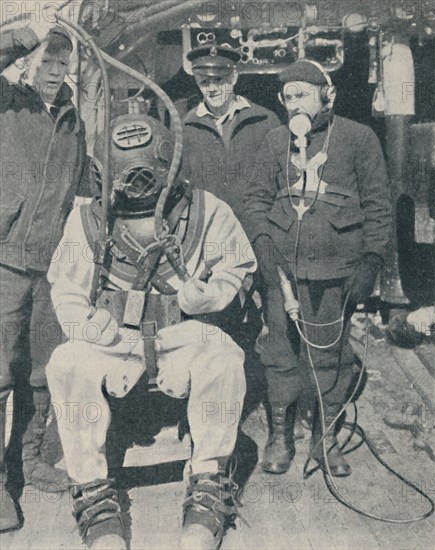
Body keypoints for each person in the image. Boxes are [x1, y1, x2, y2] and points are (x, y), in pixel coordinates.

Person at [45, 112, 256, 550]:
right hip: (114, 340)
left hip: (182, 334)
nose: (139, 189)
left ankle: (208, 482)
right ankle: (93, 492)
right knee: (66, 363)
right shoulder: (88, 220)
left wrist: (211, 295)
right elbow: (66, 289)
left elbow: (235, 267)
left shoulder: (205, 210)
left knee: (224, 357)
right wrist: (83, 325)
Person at [243, 59, 392, 476]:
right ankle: (280, 435)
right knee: (280, 355)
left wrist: (371, 262)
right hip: (283, 274)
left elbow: (379, 206)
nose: (294, 105)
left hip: (337, 272)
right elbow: (255, 200)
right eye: (288, 97)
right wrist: (264, 250)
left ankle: (324, 438)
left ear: (326, 95)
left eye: (302, 95)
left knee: (332, 357)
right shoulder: (275, 142)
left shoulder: (359, 139)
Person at [0, 24, 90, 531]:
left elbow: (83, 185)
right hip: (3, 259)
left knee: (41, 371)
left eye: (63, 66)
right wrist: (20, 37)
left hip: (51, 266)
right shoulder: (8, 102)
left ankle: (27, 461)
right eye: (47, 65)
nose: (55, 75)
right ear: (30, 66)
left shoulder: (74, 122)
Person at [182, 44, 280, 220]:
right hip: (208, 230)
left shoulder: (265, 120)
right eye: (204, 82)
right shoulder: (186, 128)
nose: (212, 89)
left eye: (219, 80)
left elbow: (281, 181)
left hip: (256, 229)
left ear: (234, 77)